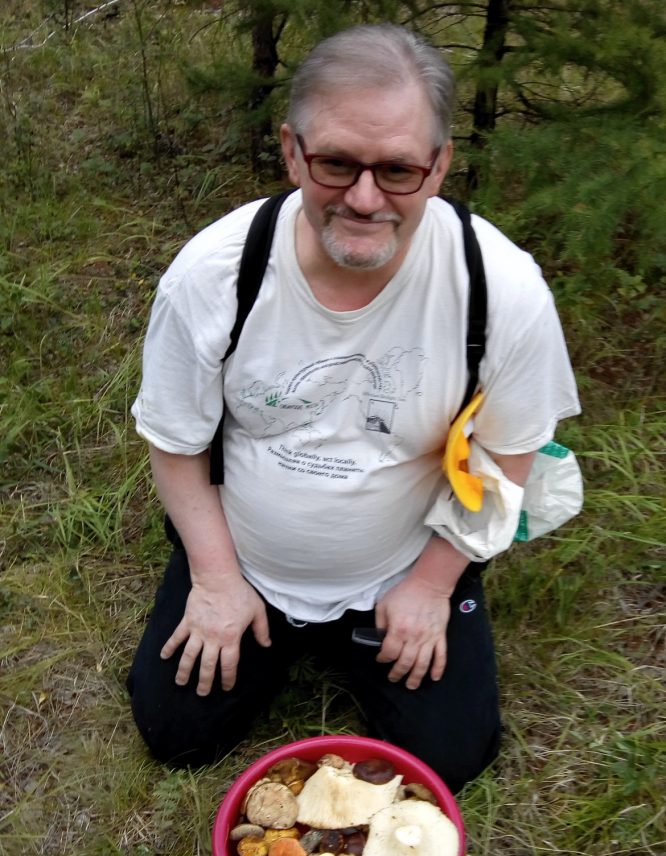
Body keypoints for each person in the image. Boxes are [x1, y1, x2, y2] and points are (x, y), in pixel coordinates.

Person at [127, 23, 581, 792]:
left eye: (398, 170)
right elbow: (174, 443)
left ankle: (401, 610)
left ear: (439, 166)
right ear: (293, 150)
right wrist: (215, 578)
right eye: (337, 163)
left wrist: (433, 584)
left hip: (403, 565)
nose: (365, 199)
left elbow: (512, 455)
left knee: (454, 757)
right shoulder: (214, 273)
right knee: (173, 732)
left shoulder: (499, 287)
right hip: (245, 563)